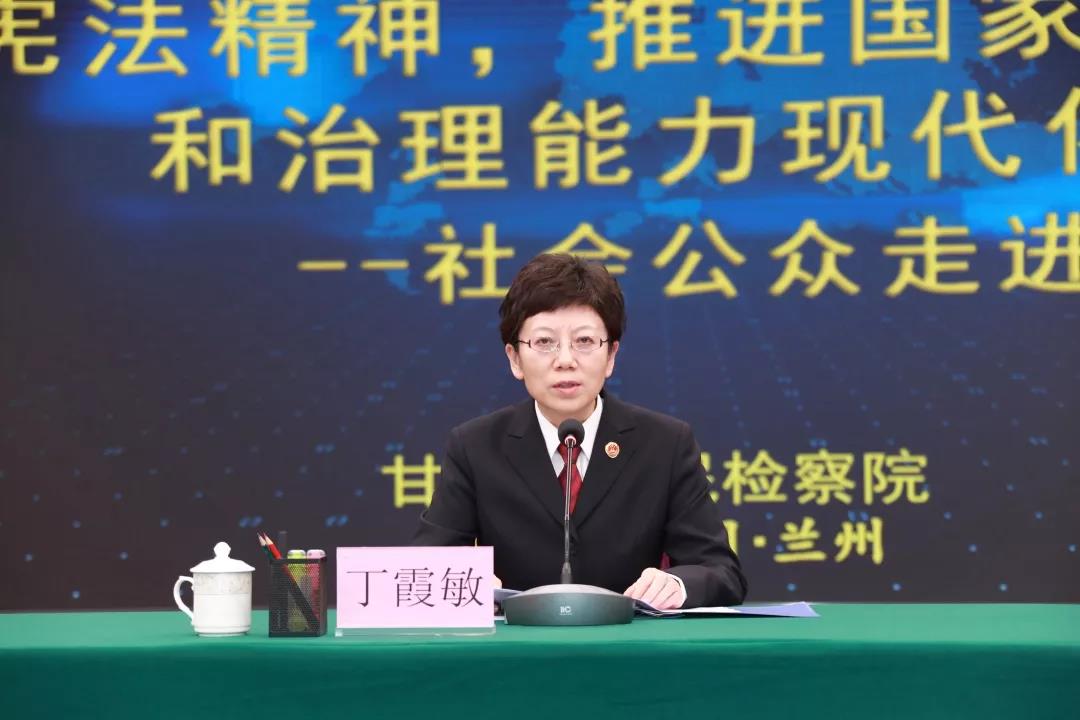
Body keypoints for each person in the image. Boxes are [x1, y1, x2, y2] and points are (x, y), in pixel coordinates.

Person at [413, 253, 747, 609]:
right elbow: (426, 565)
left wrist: (677, 585)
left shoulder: (665, 444)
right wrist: (463, 579)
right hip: (517, 639)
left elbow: (721, 571)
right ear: (514, 359)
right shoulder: (475, 446)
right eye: (544, 342)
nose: (565, 360)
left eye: (584, 341)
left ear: (611, 355)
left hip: (629, 638)